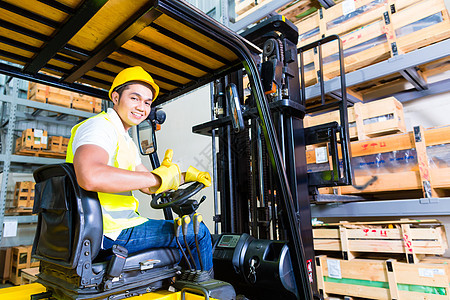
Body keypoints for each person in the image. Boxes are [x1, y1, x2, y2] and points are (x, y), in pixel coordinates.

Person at [65, 66, 213, 272]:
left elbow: (147, 184)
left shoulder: (124, 139)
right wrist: (155, 179)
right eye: (134, 98)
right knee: (200, 233)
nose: (141, 107)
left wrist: (183, 176)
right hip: (110, 232)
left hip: (115, 227)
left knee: (186, 238)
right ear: (115, 98)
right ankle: (207, 291)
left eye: (147, 102)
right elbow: (90, 175)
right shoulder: (100, 127)